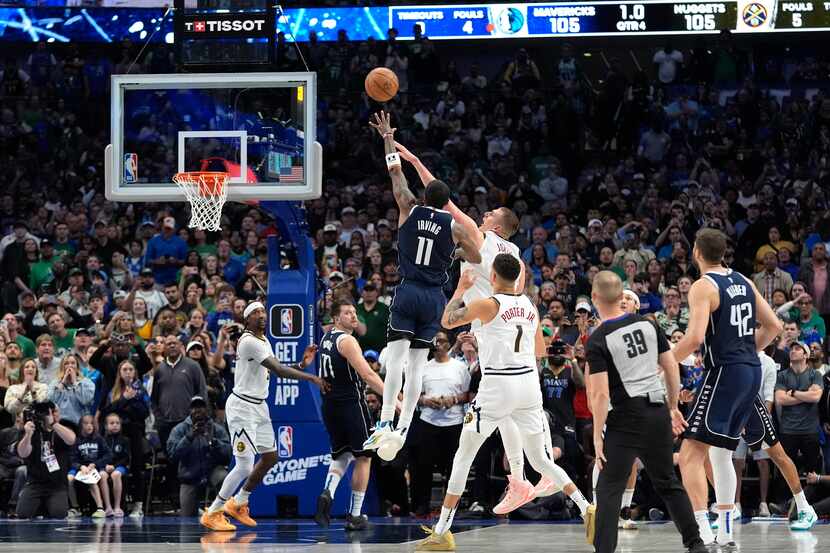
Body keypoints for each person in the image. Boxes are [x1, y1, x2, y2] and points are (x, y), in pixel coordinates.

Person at [393, 139, 542, 509]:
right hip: (511, 321)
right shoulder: (516, 257)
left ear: (498, 225)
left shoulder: (480, 234)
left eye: (491, 212)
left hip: (488, 322)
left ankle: (531, 478)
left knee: (499, 405)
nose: (485, 213)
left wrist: (411, 158)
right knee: (514, 406)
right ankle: (524, 478)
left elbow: (439, 198)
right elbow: (520, 291)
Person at [416, 254, 589, 551]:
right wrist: (493, 337)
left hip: (498, 384)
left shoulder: (489, 304)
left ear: (493, 277)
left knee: (464, 455)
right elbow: (538, 349)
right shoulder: (530, 305)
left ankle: (442, 531)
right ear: (518, 278)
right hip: (528, 384)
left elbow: (446, 321)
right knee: (542, 460)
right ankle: (587, 508)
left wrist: (460, 288)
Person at [362, 111, 481, 462]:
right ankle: (404, 428)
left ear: (425, 196)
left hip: (409, 289)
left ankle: (385, 421)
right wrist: (455, 249)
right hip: (434, 297)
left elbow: (395, 172)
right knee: (417, 366)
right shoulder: (454, 226)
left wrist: (387, 136)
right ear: (446, 202)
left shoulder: (409, 208)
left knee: (395, 361)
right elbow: (474, 252)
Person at [671, 229, 799, 550]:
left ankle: (701, 528)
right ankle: (726, 533)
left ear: (697, 253)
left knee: (690, 454)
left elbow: (696, 338)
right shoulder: (743, 280)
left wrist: (663, 361)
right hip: (750, 372)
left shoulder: (703, 286)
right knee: (721, 453)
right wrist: (746, 352)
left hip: (725, 372)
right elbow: (774, 326)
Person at [585, 271, 707, 553]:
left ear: (595, 298)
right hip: (657, 413)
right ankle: (696, 543)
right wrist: (673, 406)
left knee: (609, 487)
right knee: (667, 482)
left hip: (625, 417)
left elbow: (600, 394)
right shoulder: (649, 325)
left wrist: (598, 436)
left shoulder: (598, 339)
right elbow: (671, 366)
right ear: (621, 297)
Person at [200, 301, 326, 531]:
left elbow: (272, 367)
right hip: (242, 407)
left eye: (262, 311)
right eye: (255, 312)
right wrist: (311, 377)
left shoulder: (263, 340)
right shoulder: (248, 341)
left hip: (259, 405)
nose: (261, 315)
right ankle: (213, 511)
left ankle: (239, 502)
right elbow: (279, 370)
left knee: (270, 458)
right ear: (246, 319)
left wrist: (300, 364)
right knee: (244, 467)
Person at [314, 300, 387, 531]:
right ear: (336, 318)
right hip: (351, 405)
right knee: (364, 457)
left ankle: (328, 491)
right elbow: (367, 374)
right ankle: (355, 515)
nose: (354, 316)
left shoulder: (326, 337)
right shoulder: (347, 341)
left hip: (329, 406)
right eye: (347, 313)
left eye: (355, 312)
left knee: (341, 454)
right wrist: (395, 399)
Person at [167, 396, 231, 517]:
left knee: (224, 477)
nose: (198, 410)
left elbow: (228, 454)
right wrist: (189, 437)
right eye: (194, 407)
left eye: (201, 407)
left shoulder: (217, 428)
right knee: (186, 521)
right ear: (189, 410)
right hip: (190, 475)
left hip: (212, 471)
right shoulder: (179, 430)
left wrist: (213, 441)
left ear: (207, 409)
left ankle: (224, 513)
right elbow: (173, 455)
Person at [15, 401, 76, 519]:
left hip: (57, 484)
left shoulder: (61, 430)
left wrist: (53, 423)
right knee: (22, 514)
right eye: (49, 412)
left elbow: (71, 440)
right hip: (35, 483)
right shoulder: (31, 430)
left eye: (55, 411)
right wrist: (28, 435)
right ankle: (41, 506)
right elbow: (23, 453)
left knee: (59, 514)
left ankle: (44, 507)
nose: (52, 414)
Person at [68, 414, 112, 518]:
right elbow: (71, 458)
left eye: (92, 423)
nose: (89, 426)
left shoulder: (99, 439)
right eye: (86, 423)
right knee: (69, 479)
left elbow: (108, 455)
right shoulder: (76, 440)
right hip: (80, 467)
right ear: (81, 425)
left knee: (91, 479)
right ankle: (75, 507)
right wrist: (80, 467)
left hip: (94, 467)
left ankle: (100, 508)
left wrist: (95, 464)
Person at [101, 413, 130, 517]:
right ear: (106, 426)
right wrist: (105, 466)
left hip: (120, 467)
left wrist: (115, 466)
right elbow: (99, 456)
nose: (115, 425)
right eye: (112, 423)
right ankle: (108, 507)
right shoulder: (102, 440)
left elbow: (126, 458)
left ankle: (117, 507)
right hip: (105, 467)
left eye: (117, 423)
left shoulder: (125, 440)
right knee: (102, 475)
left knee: (116, 475)